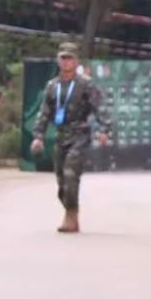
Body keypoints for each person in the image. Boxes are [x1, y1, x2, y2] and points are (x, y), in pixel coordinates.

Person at [29, 42, 110, 233]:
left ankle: (71, 216)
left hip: (80, 135)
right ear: (59, 60)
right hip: (60, 135)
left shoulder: (85, 84)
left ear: (76, 61)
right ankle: (70, 211)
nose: (66, 62)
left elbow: (100, 107)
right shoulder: (52, 86)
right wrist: (38, 136)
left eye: (70, 58)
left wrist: (104, 130)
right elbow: (44, 113)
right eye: (63, 58)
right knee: (61, 183)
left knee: (71, 174)